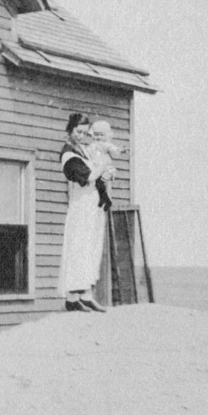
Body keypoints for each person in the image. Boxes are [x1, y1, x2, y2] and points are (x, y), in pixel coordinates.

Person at [58, 112, 113, 312]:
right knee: (79, 249)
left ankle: (86, 295)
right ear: (70, 130)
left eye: (84, 132)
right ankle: (72, 298)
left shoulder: (85, 150)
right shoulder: (68, 154)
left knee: (91, 248)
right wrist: (104, 164)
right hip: (81, 207)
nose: (81, 136)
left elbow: (98, 176)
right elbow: (88, 176)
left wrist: (106, 175)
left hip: (93, 206)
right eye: (78, 132)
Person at [86, 119, 124, 212]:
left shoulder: (104, 144)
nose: (98, 137)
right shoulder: (92, 145)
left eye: (101, 135)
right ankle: (104, 199)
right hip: (96, 168)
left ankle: (106, 200)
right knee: (98, 183)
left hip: (104, 167)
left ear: (105, 136)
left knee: (100, 182)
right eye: (96, 134)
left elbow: (113, 148)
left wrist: (120, 150)